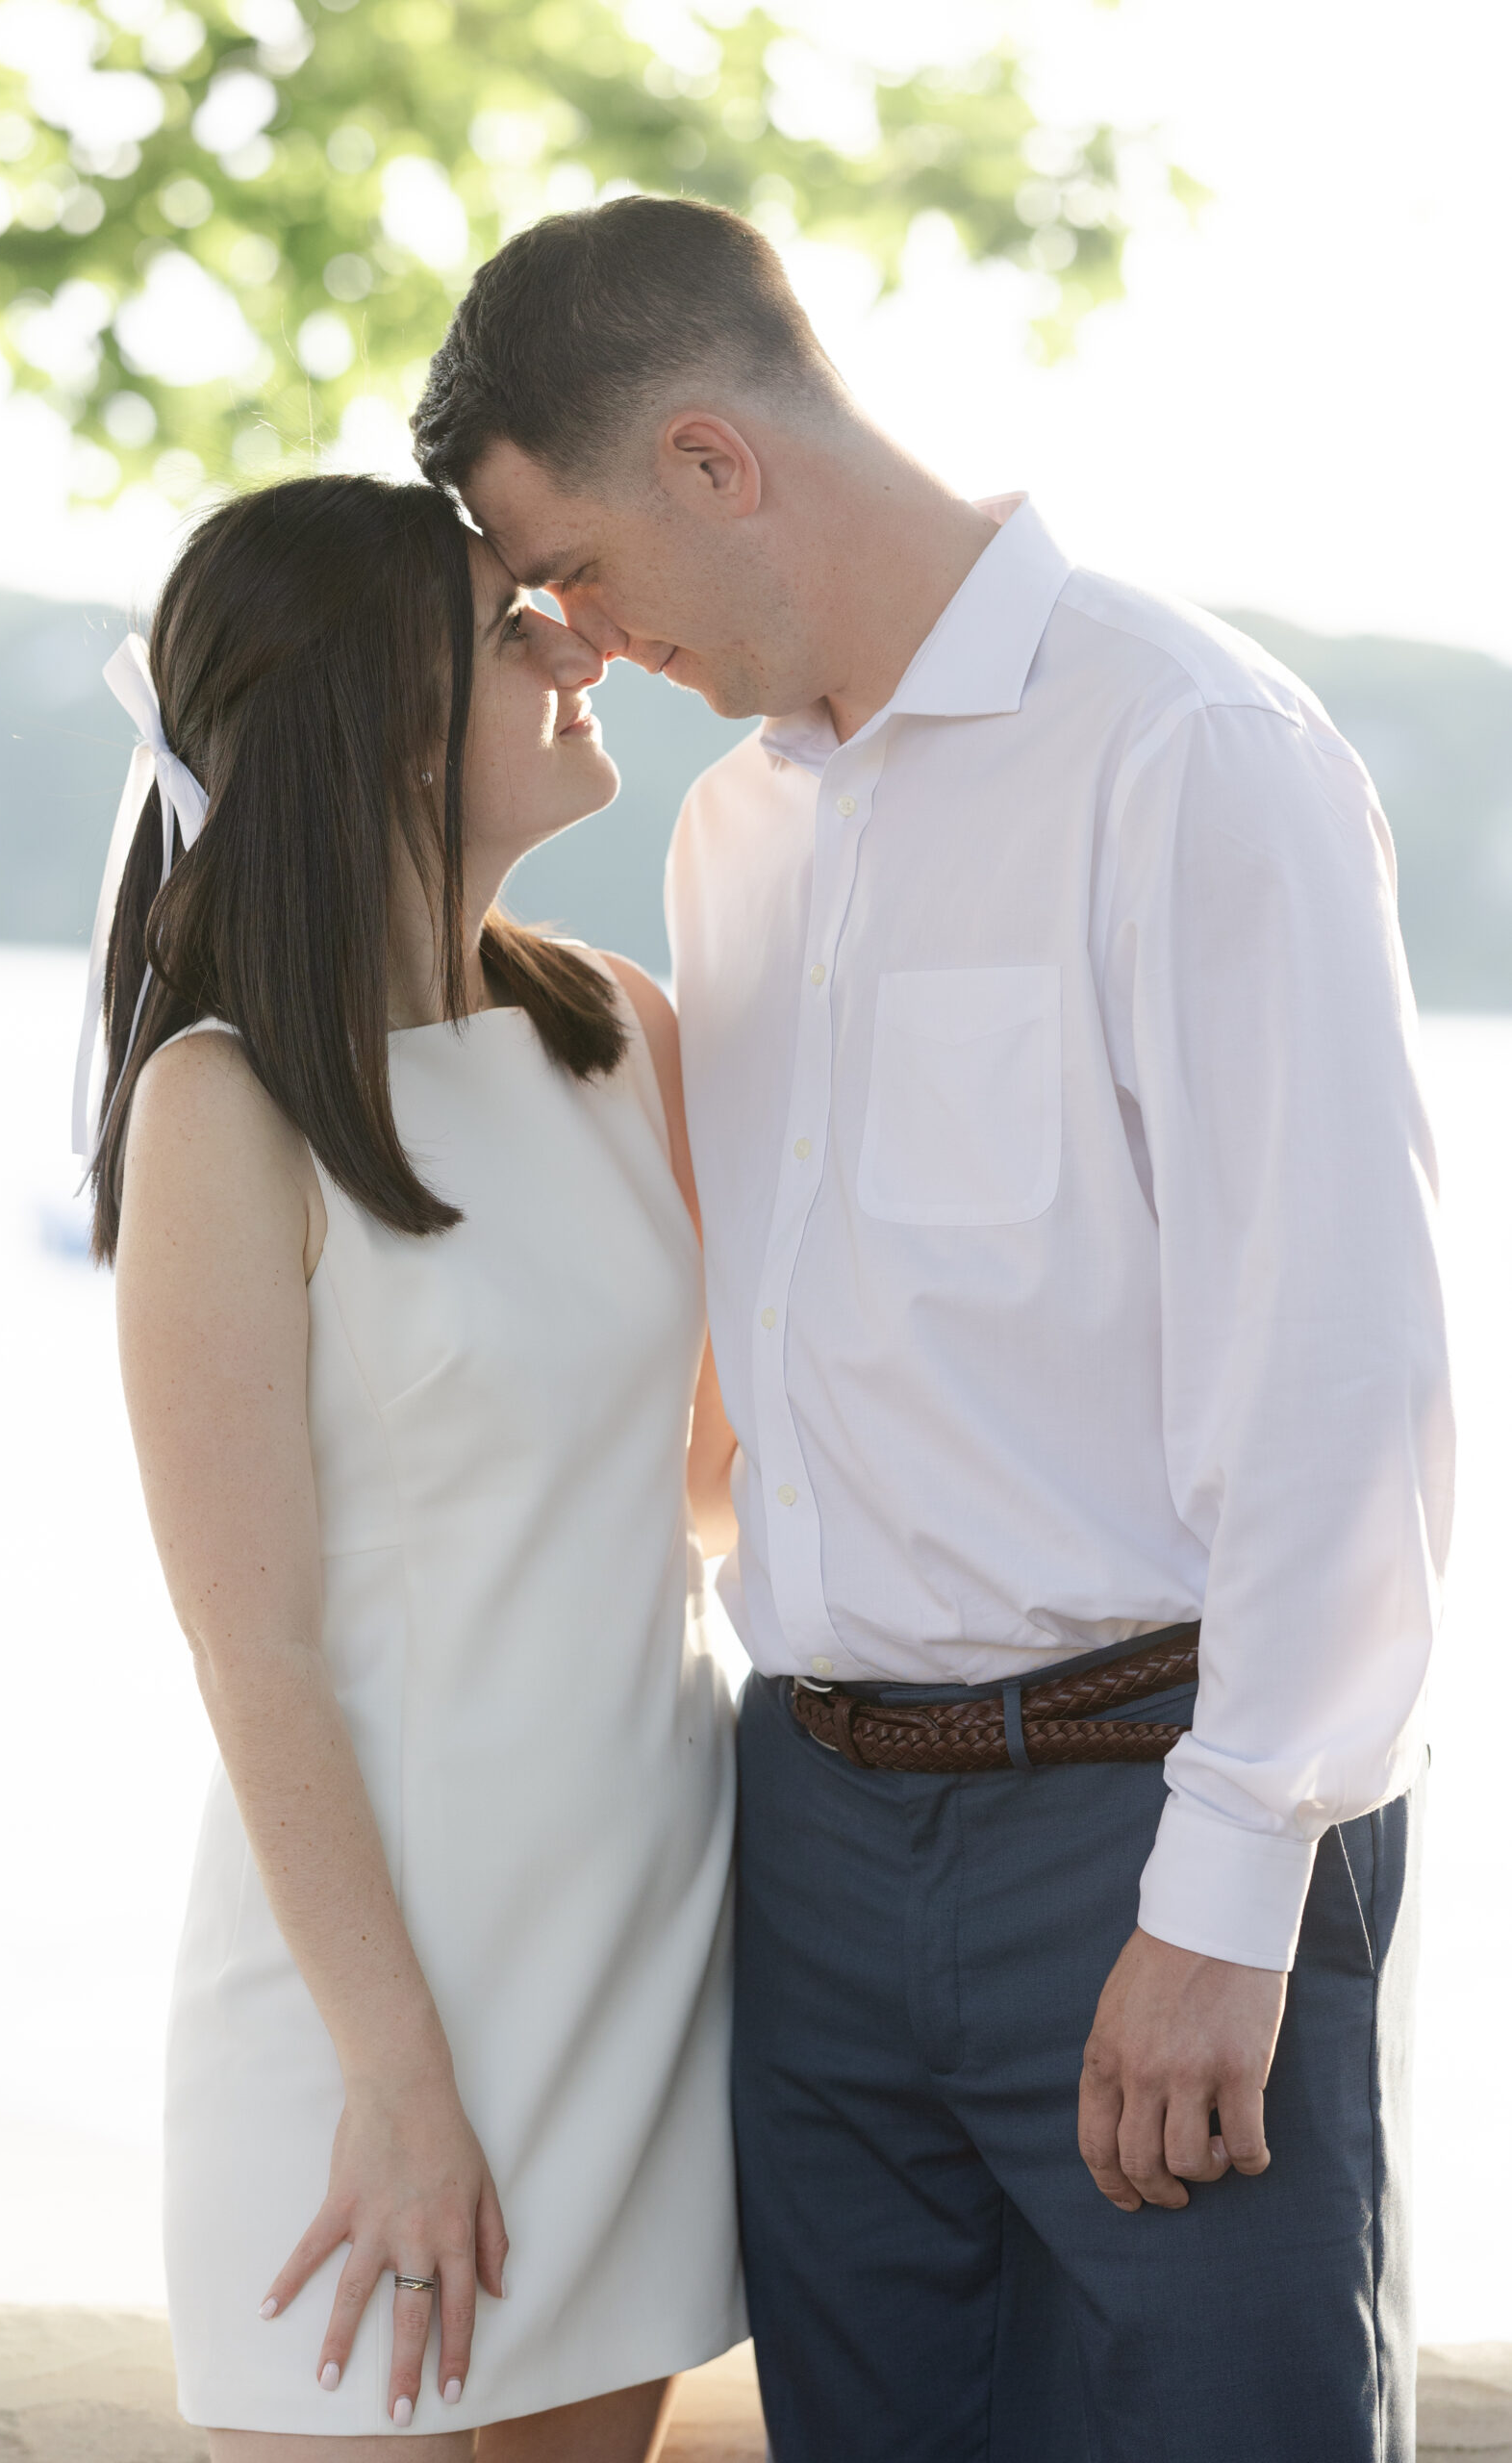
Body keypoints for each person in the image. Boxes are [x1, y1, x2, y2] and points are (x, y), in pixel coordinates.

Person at [412, 196, 1455, 2462]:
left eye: (566, 561)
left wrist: (1231, 1876)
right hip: (809, 1833)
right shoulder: (731, 842)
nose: (572, 638)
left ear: (709, 455)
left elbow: (1338, 1365)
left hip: (1140, 1818)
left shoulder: (1188, 748)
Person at [78, 471, 746, 2457]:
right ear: (377, 717)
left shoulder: (625, 1031)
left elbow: (714, 1492)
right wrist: (395, 2075)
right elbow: (253, 1646)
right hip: (370, 2004)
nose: (582, 643)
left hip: (639, 1946)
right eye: (511, 624)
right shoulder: (227, 1102)